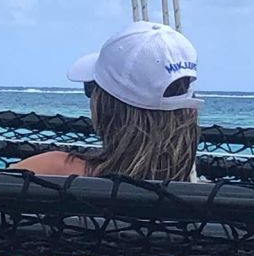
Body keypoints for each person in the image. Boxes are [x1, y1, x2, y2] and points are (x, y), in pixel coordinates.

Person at [15, 21, 201, 181]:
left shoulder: (47, 171)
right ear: (189, 112)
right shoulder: (203, 204)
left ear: (106, 108)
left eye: (91, 89)